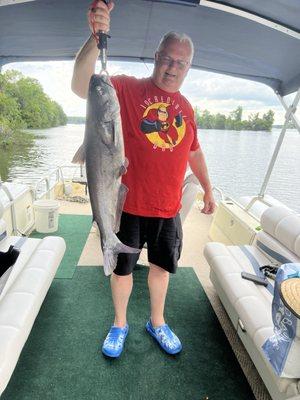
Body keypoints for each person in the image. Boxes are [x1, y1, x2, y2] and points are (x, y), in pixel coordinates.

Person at [72, 0, 216, 358]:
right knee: (122, 269)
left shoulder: (186, 107)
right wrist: (94, 39)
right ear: (156, 56)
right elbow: (81, 85)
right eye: (167, 58)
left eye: (180, 62)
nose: (172, 67)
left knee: (160, 268)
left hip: (167, 208)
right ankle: (120, 324)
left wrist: (209, 189)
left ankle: (157, 321)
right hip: (128, 203)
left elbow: (194, 152)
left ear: (189, 66)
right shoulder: (124, 88)